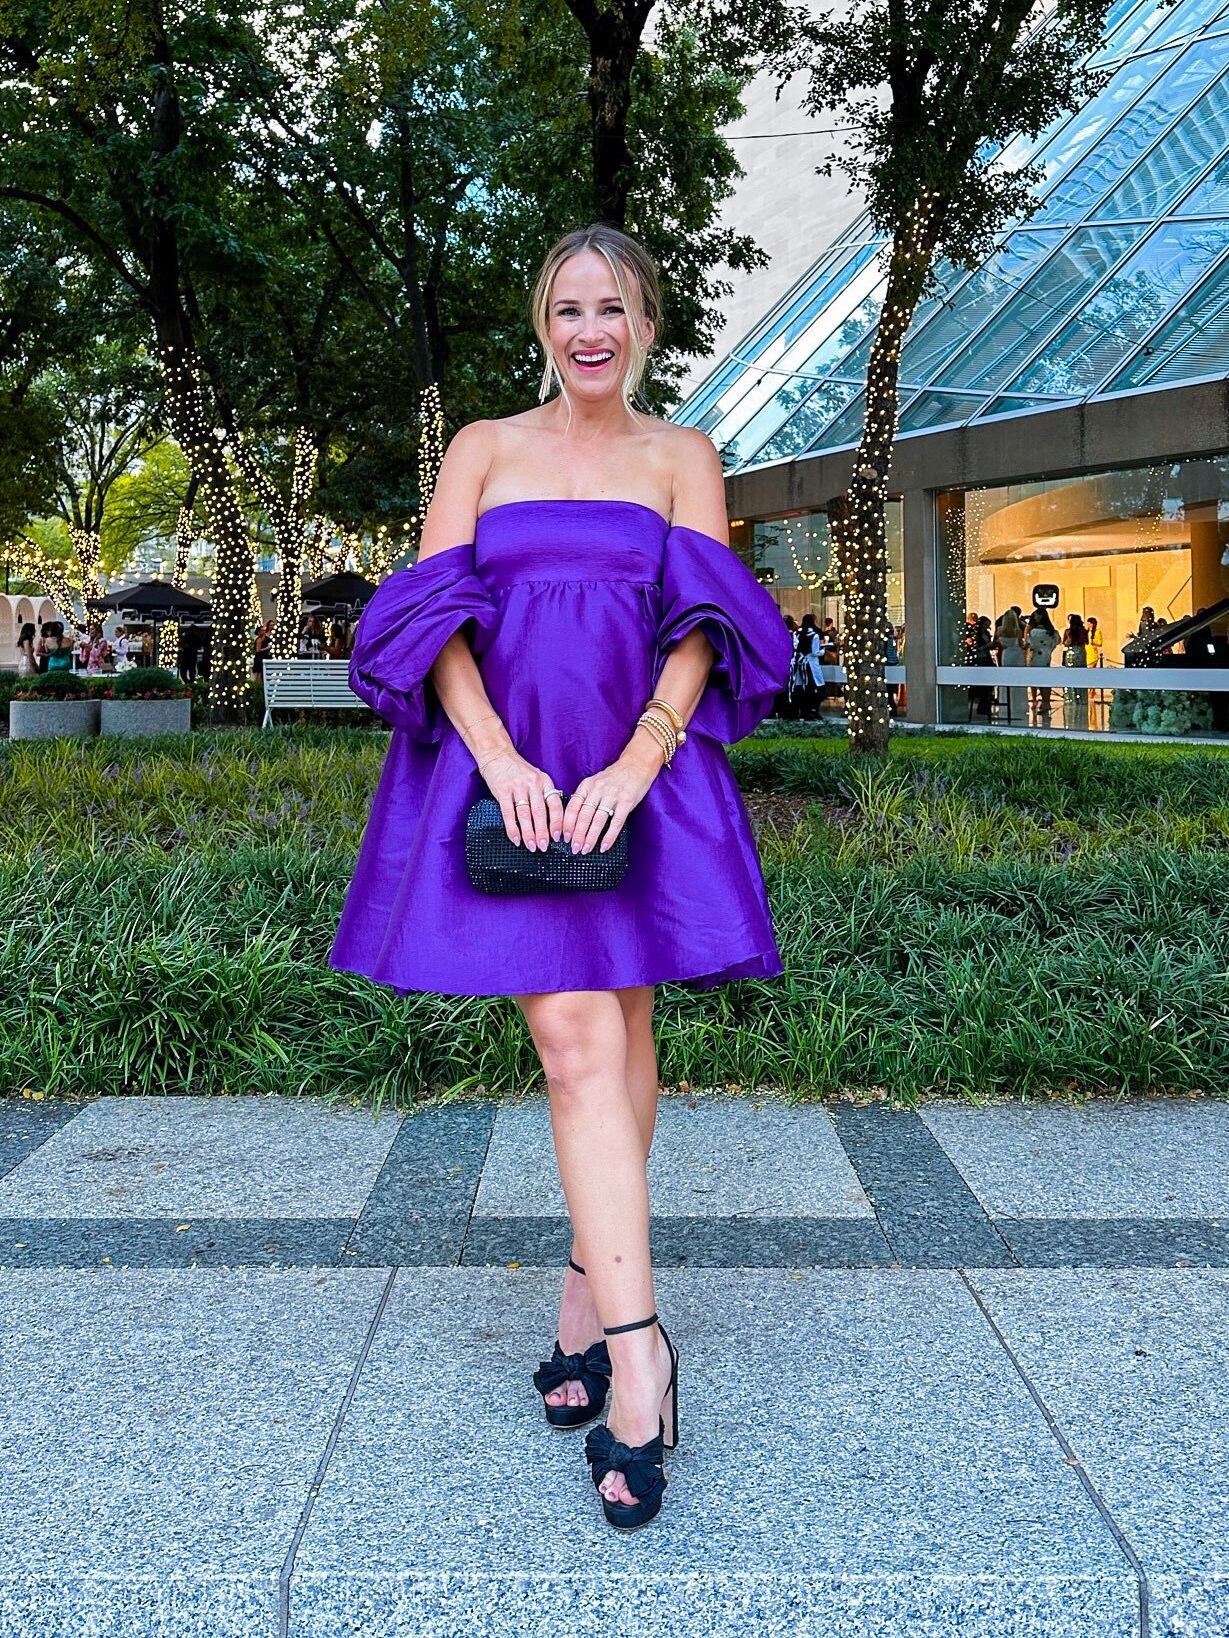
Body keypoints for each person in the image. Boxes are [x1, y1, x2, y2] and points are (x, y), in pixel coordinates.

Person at [329, 223, 791, 1533]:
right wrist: (499, 762)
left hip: (637, 768)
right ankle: (642, 1351)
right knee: (577, 1036)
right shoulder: (482, 447)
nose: (589, 329)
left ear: (646, 325)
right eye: (567, 308)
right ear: (542, 321)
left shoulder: (681, 457)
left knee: (628, 1020)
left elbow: (704, 627)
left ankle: (589, 1296)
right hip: (510, 769)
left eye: (613, 308)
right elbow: (429, 618)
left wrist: (641, 761)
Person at [1026, 608, 1060, 723]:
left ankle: (1036, 700)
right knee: (1045, 679)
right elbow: (1056, 641)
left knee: (1035, 678)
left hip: (1036, 656)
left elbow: (1029, 643)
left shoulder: (1034, 631)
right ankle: (1046, 701)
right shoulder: (1051, 631)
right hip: (1046, 655)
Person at [993, 607, 1026, 723]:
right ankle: (1018, 704)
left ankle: (1005, 702)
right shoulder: (1018, 631)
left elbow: (997, 643)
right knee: (1018, 679)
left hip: (1006, 654)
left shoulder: (1000, 630)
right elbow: (1022, 644)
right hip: (1017, 653)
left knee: (1006, 678)